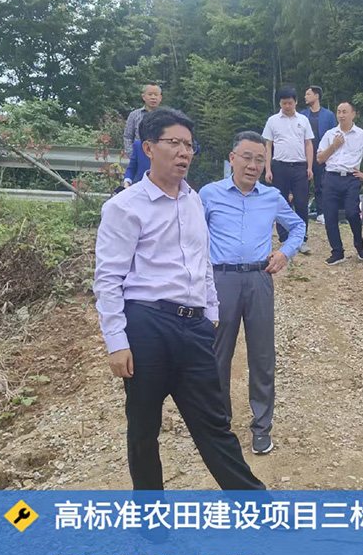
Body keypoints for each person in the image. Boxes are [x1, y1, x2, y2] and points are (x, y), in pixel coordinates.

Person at [93, 107, 264, 492]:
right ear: (148, 148)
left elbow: (202, 262)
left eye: (189, 145)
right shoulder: (124, 206)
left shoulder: (194, 201)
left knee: (214, 425)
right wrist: (116, 342)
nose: (184, 152)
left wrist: (211, 314)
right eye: (175, 143)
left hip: (194, 327)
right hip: (146, 325)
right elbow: (108, 278)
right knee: (143, 429)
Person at [200, 132, 305, 456]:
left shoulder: (272, 197)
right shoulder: (209, 194)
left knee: (262, 356)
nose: (253, 165)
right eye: (247, 157)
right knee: (217, 355)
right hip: (221, 280)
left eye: (260, 159)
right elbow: (193, 235)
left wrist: (285, 252)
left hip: (260, 279)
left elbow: (298, 226)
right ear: (232, 159)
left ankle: (261, 428)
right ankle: (218, 425)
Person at [316, 101, 363, 265]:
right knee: (330, 216)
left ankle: (359, 244)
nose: (341, 115)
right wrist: (334, 146)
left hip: (351, 178)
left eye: (344, 112)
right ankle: (337, 252)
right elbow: (320, 158)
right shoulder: (330, 134)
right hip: (331, 177)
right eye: (339, 112)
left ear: (353, 114)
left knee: (352, 212)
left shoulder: (362, 135)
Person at [263, 86, 313, 255]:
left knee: (301, 203)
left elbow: (308, 144)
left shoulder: (303, 120)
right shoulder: (272, 121)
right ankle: (284, 237)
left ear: (296, 102)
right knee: (281, 202)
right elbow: (268, 146)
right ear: (280, 103)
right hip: (280, 166)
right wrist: (268, 169)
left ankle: (302, 238)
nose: (287, 106)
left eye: (290, 103)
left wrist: (310, 167)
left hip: (300, 166)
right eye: (284, 103)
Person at [301, 86, 337, 223]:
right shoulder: (303, 115)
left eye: (308, 94)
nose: (305, 97)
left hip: (322, 155)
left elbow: (334, 135)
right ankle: (301, 212)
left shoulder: (329, 115)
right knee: (303, 184)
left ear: (316, 96)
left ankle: (321, 213)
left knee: (321, 185)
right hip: (305, 155)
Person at [123, 84, 163, 158]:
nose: (153, 97)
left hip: (160, 156)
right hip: (139, 155)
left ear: (160, 98)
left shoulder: (166, 116)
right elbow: (128, 137)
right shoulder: (134, 115)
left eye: (156, 95)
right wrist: (132, 155)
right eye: (150, 94)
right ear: (143, 97)